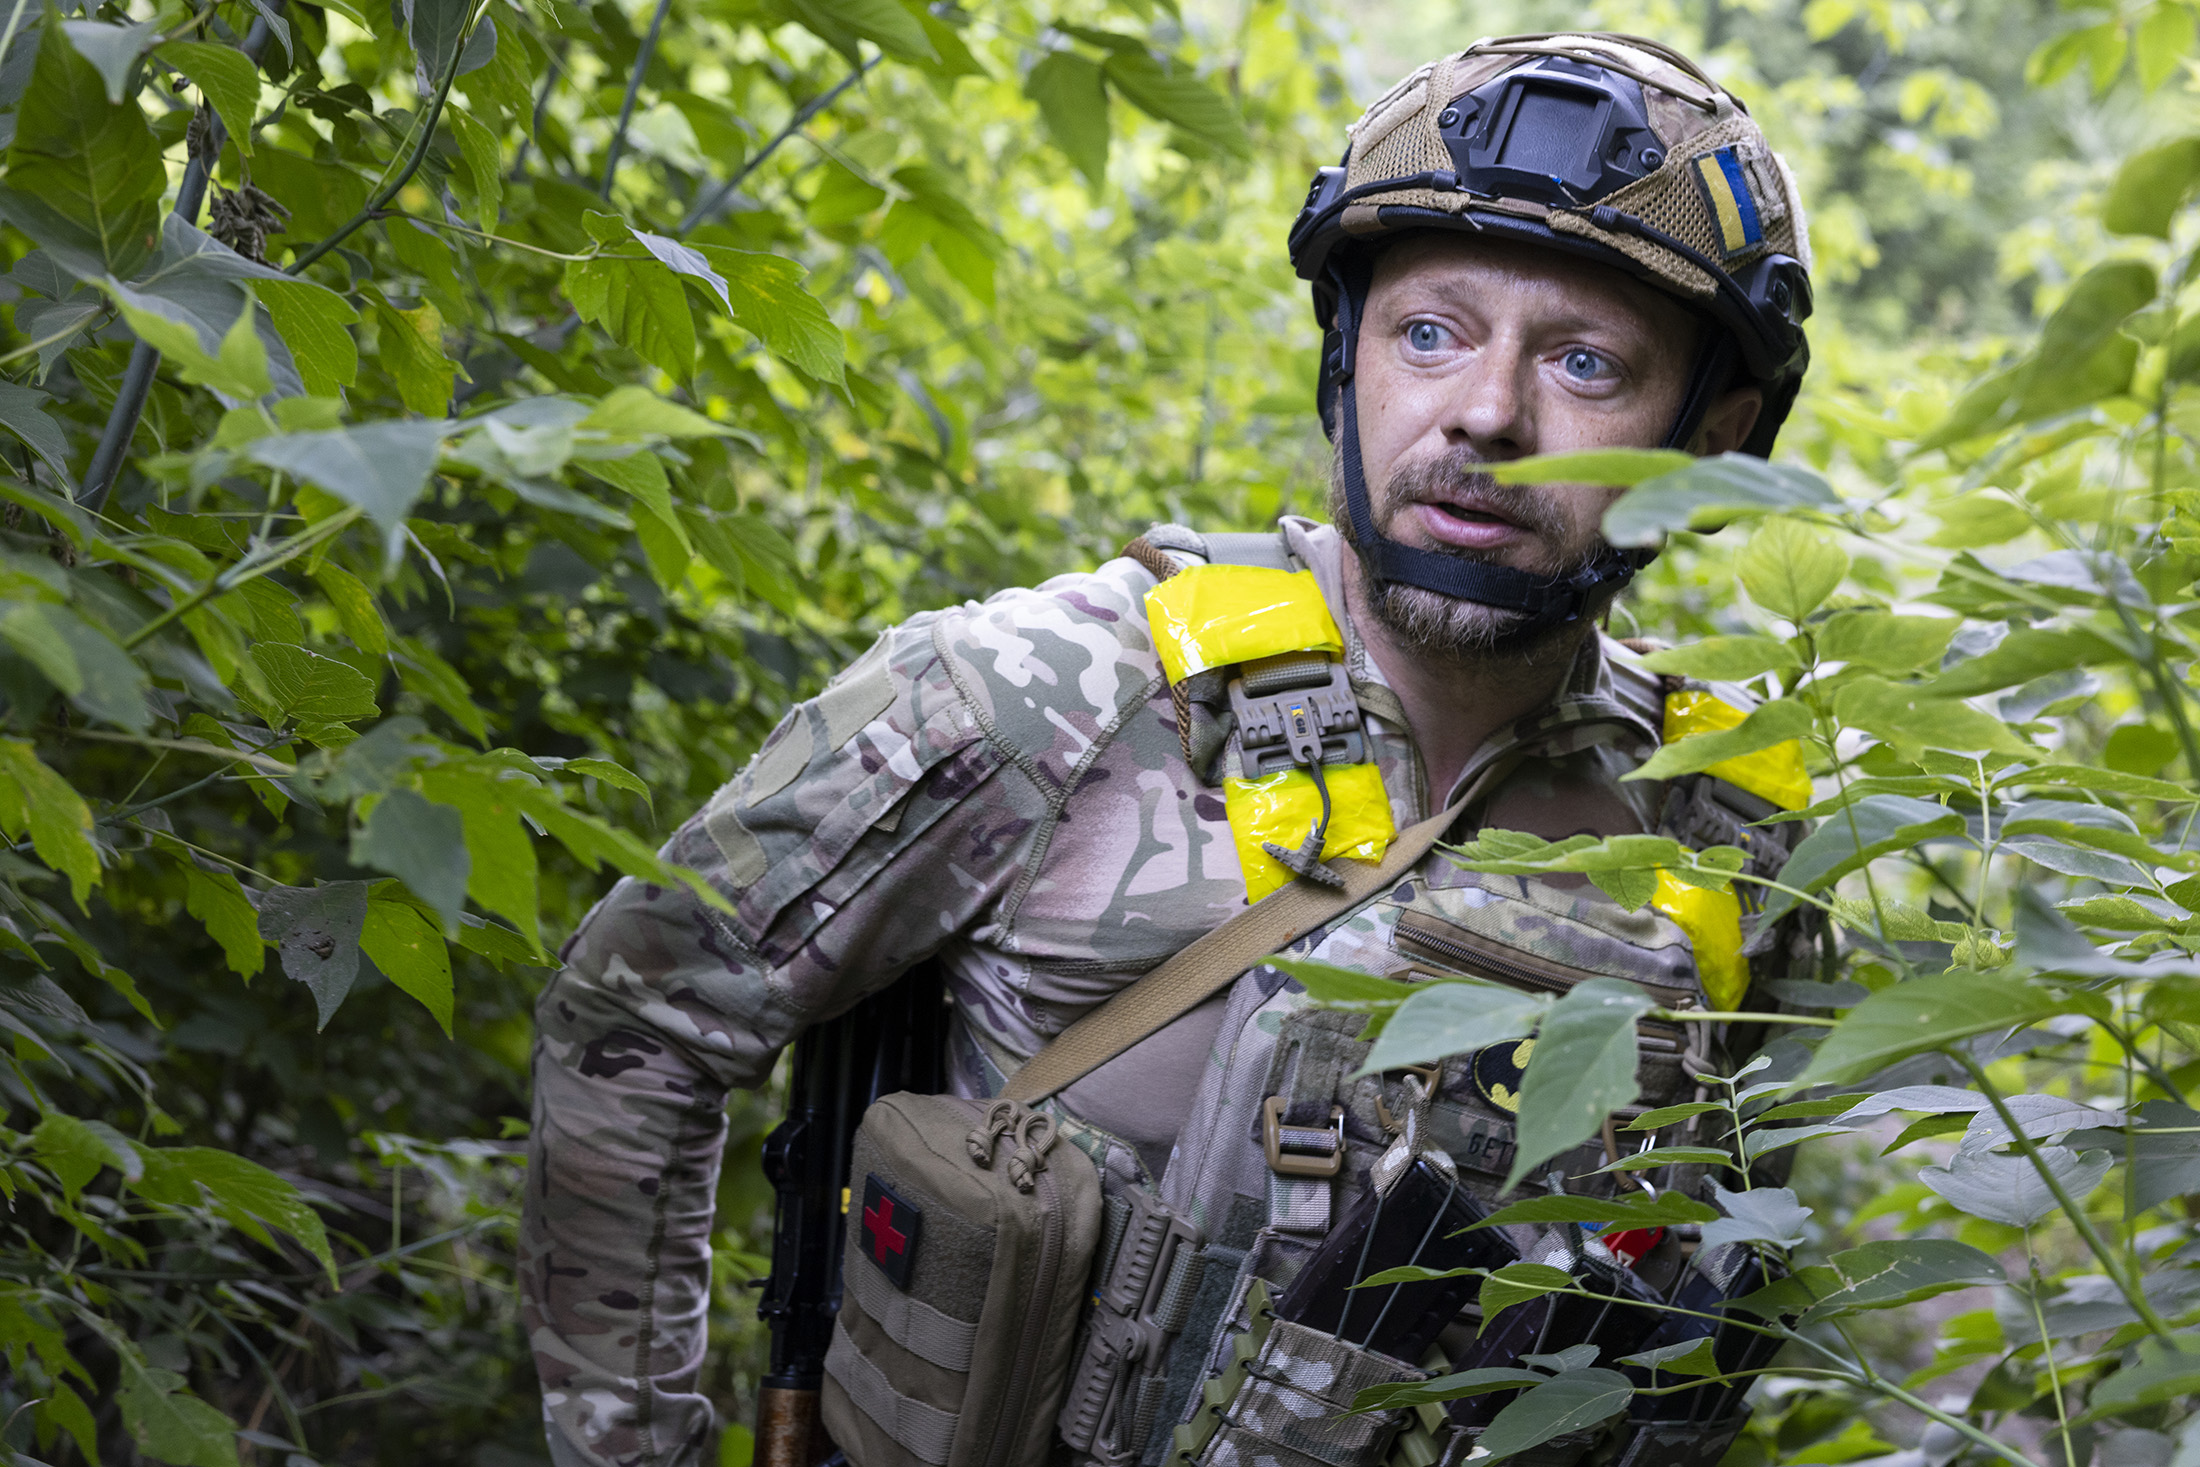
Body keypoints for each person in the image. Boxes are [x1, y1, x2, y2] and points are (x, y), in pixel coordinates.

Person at [521, 31, 1820, 1467]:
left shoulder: (1725, 830)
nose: (1488, 416)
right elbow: (639, 1020)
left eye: (1586, 364)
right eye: (1430, 333)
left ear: (1717, 436)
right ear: (1349, 354)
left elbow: (1717, 1303)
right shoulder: (1051, 688)